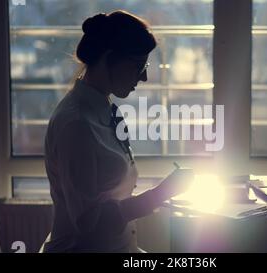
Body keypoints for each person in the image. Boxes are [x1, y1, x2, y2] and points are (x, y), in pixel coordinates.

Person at [43, 10, 192, 253]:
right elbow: (90, 225)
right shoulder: (77, 126)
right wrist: (159, 195)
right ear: (109, 59)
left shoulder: (104, 108)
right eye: (138, 65)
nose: (144, 76)